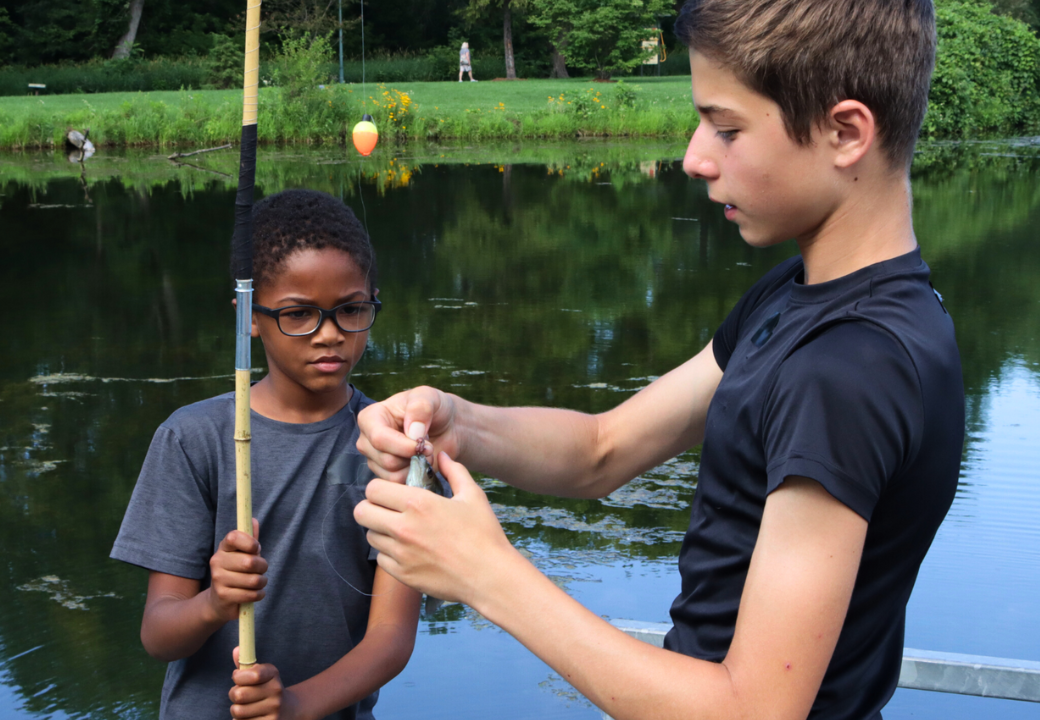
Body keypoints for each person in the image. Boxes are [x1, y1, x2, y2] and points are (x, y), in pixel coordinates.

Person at [353, 1, 964, 719]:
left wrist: (487, 576)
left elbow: (754, 711)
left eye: (727, 128)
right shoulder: (806, 300)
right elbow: (603, 450)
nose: (694, 157)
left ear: (845, 132)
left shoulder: (847, 369)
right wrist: (459, 424)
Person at [112, 189, 421, 720]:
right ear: (249, 318)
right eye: (298, 315)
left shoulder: (395, 447)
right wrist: (215, 603)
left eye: (351, 309)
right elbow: (158, 636)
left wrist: (294, 706)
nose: (329, 335)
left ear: (373, 299)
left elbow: (391, 640)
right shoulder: (194, 440)